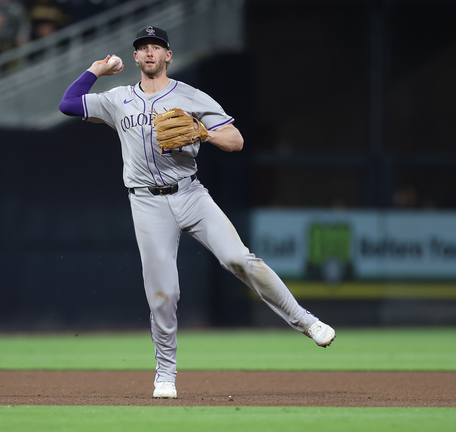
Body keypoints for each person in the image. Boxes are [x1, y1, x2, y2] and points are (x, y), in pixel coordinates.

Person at [58, 26, 335, 399]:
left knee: (240, 259)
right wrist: (94, 71)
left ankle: (307, 321)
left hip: (190, 194)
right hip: (146, 202)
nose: (150, 52)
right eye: (143, 48)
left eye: (157, 47)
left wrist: (203, 133)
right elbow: (69, 103)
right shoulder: (117, 99)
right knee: (163, 294)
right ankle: (165, 375)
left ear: (168, 56)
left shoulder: (190, 95)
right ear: (136, 58)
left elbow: (235, 141)